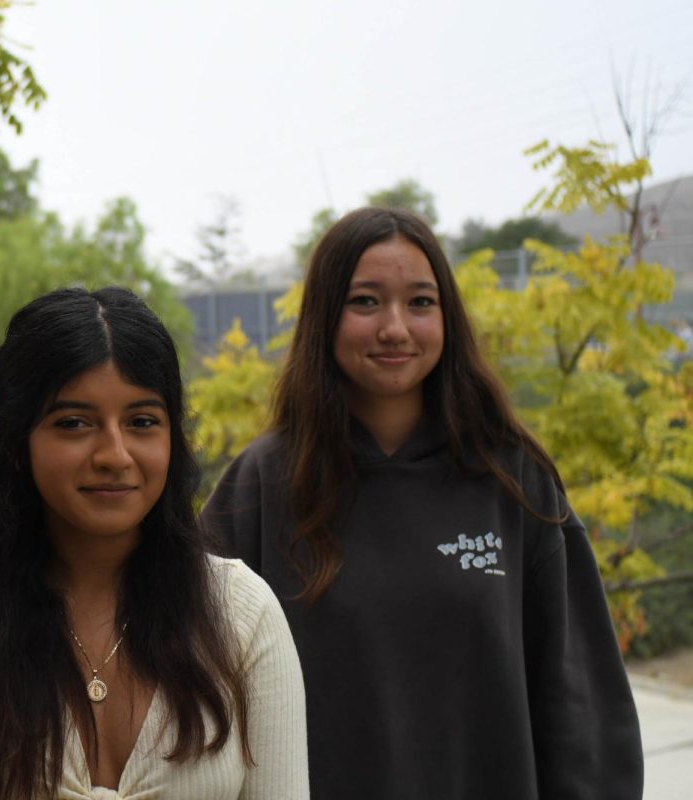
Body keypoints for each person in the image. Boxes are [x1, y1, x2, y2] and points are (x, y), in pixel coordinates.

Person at [202, 207, 644, 799]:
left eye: (419, 302)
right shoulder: (264, 483)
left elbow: (580, 702)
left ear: (447, 318)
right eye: (365, 301)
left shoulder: (512, 480)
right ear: (324, 318)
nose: (395, 328)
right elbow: (190, 688)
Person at [0, 287, 308, 800]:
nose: (115, 454)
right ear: (19, 445)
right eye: (74, 423)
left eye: (141, 422)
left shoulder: (243, 616)